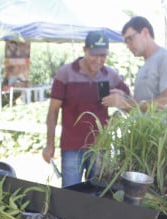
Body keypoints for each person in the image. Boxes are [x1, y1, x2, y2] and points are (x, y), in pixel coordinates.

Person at [42, 31, 130, 187]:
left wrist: (116, 114)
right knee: (71, 192)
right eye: (94, 54)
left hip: (100, 148)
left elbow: (129, 103)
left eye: (103, 55)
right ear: (85, 50)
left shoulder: (110, 75)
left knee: (97, 192)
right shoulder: (65, 73)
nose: (98, 60)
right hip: (72, 147)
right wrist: (50, 144)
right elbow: (53, 111)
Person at [102, 16, 167, 114]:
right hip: (147, 125)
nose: (128, 45)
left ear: (145, 32)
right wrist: (124, 97)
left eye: (130, 39)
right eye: (126, 42)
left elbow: (166, 103)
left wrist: (125, 103)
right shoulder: (143, 67)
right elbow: (141, 106)